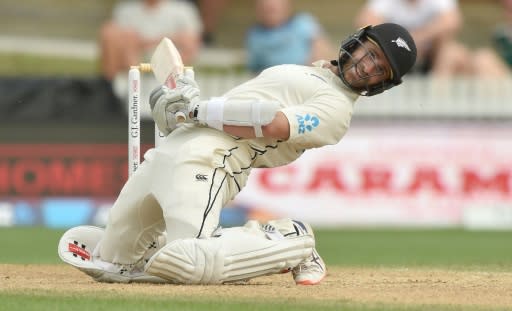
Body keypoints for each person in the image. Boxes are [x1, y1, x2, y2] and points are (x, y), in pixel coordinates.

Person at [58, 23, 417, 285]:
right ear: (356, 43)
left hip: (213, 159)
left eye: (379, 69)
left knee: (193, 262)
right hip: (170, 151)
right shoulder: (311, 72)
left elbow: (273, 123)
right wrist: (184, 106)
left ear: (381, 84)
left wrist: (196, 110)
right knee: (112, 264)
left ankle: (291, 239)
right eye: (370, 54)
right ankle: (160, 246)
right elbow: (241, 103)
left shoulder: (337, 110)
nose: (368, 67)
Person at [355, 0, 466, 76]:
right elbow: (365, 21)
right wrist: (397, 44)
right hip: (393, 56)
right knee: (368, 46)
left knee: (451, 50)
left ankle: (438, 96)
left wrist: (415, 40)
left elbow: (452, 21)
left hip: (431, 56)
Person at [99, 0, 202, 81]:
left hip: (170, 69)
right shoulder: (125, 10)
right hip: (131, 63)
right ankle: (120, 88)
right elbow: (117, 42)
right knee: (110, 33)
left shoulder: (183, 10)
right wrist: (170, 38)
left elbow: (190, 44)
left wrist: (140, 42)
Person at [246, 0, 335, 73]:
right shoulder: (255, 34)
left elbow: (322, 52)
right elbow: (255, 68)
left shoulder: (303, 23)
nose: (269, 12)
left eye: (273, 8)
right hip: (273, 83)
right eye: (265, 8)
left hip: (306, 76)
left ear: (287, 6)